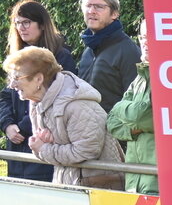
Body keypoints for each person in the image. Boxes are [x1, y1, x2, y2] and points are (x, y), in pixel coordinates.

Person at [3, 45, 122, 188]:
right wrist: (44, 146)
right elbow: (43, 148)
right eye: (11, 77)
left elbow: (86, 151)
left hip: (99, 188)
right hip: (70, 184)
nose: (12, 85)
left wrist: (44, 148)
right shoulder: (37, 101)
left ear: (39, 79)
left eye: (17, 77)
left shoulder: (77, 104)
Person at [1, 0, 78, 182]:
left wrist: (23, 127)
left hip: (45, 142)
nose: (21, 28)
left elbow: (57, 97)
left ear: (42, 24)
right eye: (17, 23)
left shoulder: (60, 57)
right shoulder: (16, 57)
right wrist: (7, 125)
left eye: (26, 22)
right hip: (17, 147)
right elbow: (6, 94)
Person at [105, 18, 158, 195]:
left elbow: (143, 117)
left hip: (157, 183)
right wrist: (135, 129)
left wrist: (123, 111)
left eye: (152, 36)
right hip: (134, 181)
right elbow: (112, 122)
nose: (146, 43)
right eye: (143, 37)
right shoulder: (140, 77)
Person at [77, 0, 138, 110]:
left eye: (99, 7)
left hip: (113, 128)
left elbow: (136, 103)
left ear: (114, 14)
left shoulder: (128, 51)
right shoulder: (88, 50)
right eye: (88, 6)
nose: (92, 11)